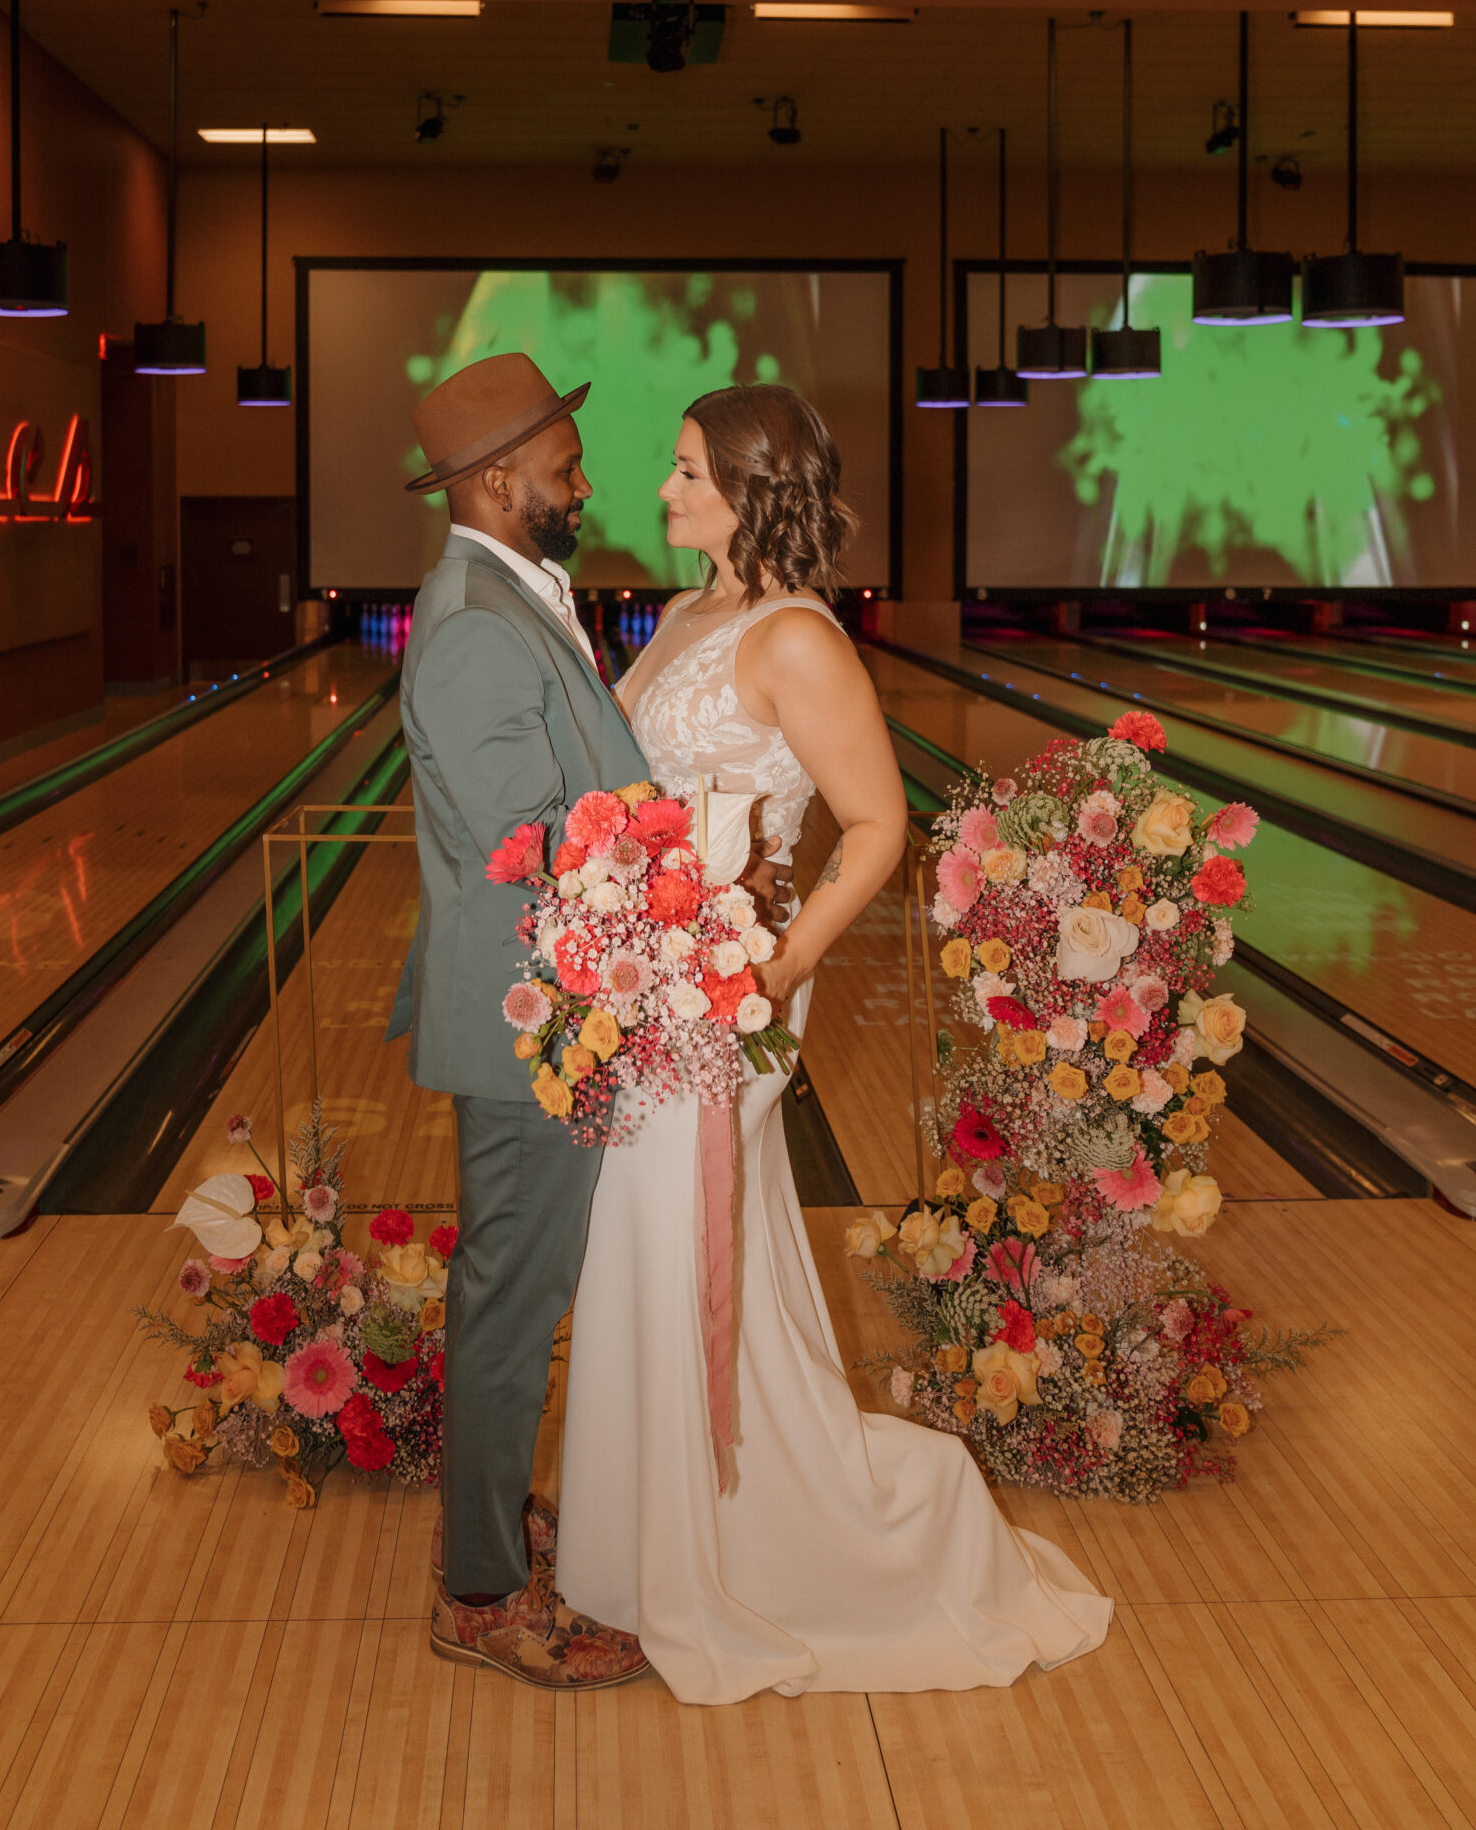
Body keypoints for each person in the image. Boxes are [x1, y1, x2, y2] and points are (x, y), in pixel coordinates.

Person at [556, 383, 1112, 1703]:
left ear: (753, 491)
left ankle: (748, 1549)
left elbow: (874, 827)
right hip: (647, 989)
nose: (665, 491)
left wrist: (777, 964)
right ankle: (651, 1547)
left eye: (687, 472)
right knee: (647, 1251)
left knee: (679, 1242)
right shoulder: (693, 612)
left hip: (724, 999)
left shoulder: (797, 639)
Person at [391, 353, 652, 1691]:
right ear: (500, 482)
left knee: (518, 1289)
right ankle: (483, 1591)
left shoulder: (513, 592)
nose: (583, 484)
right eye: (564, 468)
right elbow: (525, 839)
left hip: (559, 1011)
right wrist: (685, 841)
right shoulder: (480, 623)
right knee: (511, 1301)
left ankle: (496, 1522)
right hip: (533, 1027)